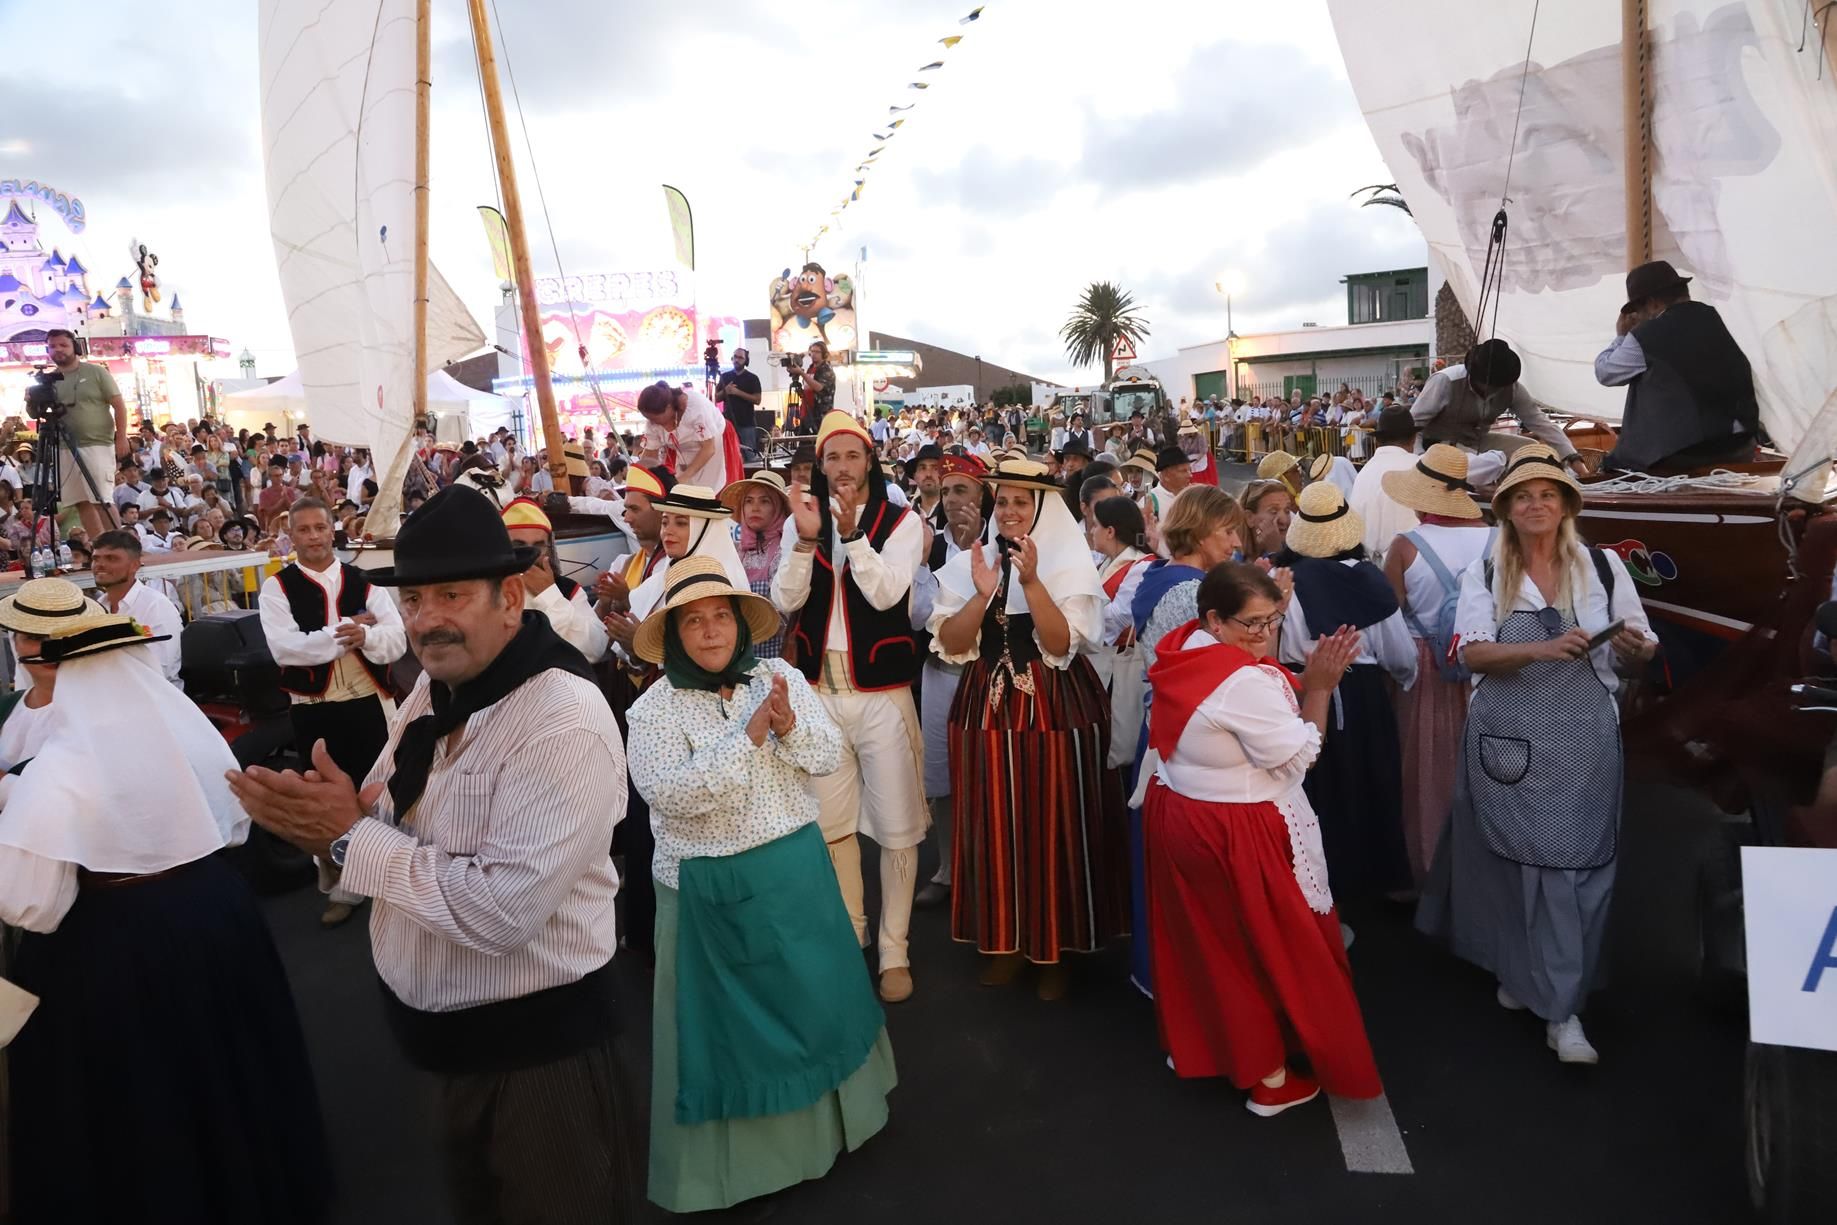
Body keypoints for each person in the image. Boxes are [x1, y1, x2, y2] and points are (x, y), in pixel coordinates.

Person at [229, 484, 641, 1221]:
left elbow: (499, 912)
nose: (425, 619)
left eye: (451, 594)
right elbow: (385, 818)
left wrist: (346, 835)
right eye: (414, 599)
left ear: (510, 598)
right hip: (453, 1050)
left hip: (538, 1059)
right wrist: (334, 830)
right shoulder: (437, 689)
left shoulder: (562, 718)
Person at [3, 603, 331, 1224]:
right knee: (230, 1064)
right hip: (215, 911)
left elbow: (30, 902)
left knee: (146, 1093)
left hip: (118, 943)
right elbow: (226, 819)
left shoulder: (60, 769)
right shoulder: (190, 735)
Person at [626, 557, 897, 1213]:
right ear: (673, 635)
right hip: (710, 893)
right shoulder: (652, 709)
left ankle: (834, 1129)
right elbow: (670, 795)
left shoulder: (781, 679)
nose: (710, 630)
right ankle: (746, 1170)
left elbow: (827, 756)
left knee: (816, 1005)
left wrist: (788, 726)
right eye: (693, 621)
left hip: (795, 873)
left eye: (721, 616)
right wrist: (747, 740)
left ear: (740, 624)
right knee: (732, 1038)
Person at [1417, 444, 1656, 1065]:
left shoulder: (1603, 567)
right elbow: (1471, 652)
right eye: (1522, 496)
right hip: (1508, 736)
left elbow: (1641, 644)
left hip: (1586, 740)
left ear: (1567, 504)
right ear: (1505, 509)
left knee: (1577, 868)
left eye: (1548, 494)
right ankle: (1545, 992)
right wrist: (1542, 650)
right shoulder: (1487, 572)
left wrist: (1635, 650)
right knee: (1514, 865)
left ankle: (1558, 999)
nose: (1536, 505)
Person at [1144, 563, 1381, 1115]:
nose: (1265, 634)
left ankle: (1209, 1048)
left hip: (1183, 812)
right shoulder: (1243, 684)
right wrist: (1319, 687)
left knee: (1208, 946)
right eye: (1252, 623)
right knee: (1271, 951)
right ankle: (1270, 1077)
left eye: (1273, 619)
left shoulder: (1187, 646)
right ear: (1215, 619)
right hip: (1236, 827)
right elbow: (1300, 756)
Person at [928, 458, 1125, 998]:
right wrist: (983, 593)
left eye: (1021, 501)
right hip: (985, 708)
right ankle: (1006, 942)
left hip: (1055, 707)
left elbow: (1060, 645)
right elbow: (952, 643)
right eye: (1004, 501)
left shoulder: (1068, 565)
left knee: (1053, 822)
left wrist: (1032, 581)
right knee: (992, 824)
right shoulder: (973, 562)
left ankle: (1055, 948)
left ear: (1041, 508)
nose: (1010, 510)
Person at [771, 411, 927, 1004]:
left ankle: (895, 949)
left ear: (869, 462)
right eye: (831, 457)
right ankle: (853, 933)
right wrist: (807, 539)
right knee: (832, 825)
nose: (841, 467)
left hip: (882, 694)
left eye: (852, 456)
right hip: (820, 693)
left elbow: (886, 594)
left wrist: (854, 537)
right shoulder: (804, 522)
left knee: (897, 827)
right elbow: (785, 598)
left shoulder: (900, 521)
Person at [257, 497, 407, 927]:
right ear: (291, 535)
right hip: (314, 708)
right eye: (303, 530)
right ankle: (345, 888)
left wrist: (368, 636)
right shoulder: (277, 587)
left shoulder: (364, 581)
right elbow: (286, 649)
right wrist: (350, 631)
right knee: (326, 798)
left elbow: (397, 639)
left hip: (370, 702)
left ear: (331, 530)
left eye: (320, 528)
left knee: (382, 793)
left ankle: (394, 879)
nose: (313, 537)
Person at [1126, 486, 1251, 995]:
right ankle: (1185, 987)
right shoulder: (1189, 593)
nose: (1236, 542)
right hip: (1186, 742)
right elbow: (1216, 675)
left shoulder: (1160, 576)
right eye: (1228, 531)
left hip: (1163, 730)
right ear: (1199, 533)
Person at [1275, 483, 1418, 905]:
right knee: (1369, 783)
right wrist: (1401, 681)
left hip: (1300, 689)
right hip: (1361, 695)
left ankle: (1319, 886)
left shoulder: (1282, 579)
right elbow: (1401, 655)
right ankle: (1367, 885)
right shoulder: (1369, 581)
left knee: (1314, 789)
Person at [1380, 446, 1495, 883]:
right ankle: (1486, 862)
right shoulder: (1499, 539)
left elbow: (1389, 617)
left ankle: (1429, 867)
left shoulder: (1406, 546)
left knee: (1426, 772)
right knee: (1489, 764)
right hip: (1487, 665)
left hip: (1426, 666)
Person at [911, 453, 990, 911]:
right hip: (941, 674)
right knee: (942, 776)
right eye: (946, 492)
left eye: (962, 490)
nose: (952, 499)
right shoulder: (933, 547)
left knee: (988, 772)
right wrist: (923, 562)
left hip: (986, 674)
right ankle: (946, 867)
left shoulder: (1000, 545)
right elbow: (918, 616)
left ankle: (990, 865)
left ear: (982, 496)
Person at [1595, 259, 1759, 472]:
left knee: (1613, 466)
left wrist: (1622, 336)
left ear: (1653, 303)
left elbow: (1606, 373)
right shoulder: (1726, 319)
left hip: (1683, 454)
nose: (1639, 316)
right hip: (1740, 444)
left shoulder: (1646, 335)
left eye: (1639, 309)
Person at [1411, 339, 1587, 482]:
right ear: (1475, 374)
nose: (1493, 390)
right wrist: (1418, 458)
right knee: (1484, 465)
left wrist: (1572, 456)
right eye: (1490, 383)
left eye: (1499, 385)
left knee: (1532, 450)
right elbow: (1413, 424)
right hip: (1439, 444)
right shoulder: (1446, 381)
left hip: (1478, 442)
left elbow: (1540, 423)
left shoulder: (1512, 387)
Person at [42, 328, 128, 539]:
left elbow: (119, 405)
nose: (58, 349)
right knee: (80, 501)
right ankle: (99, 546)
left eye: (63, 345)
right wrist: (31, 399)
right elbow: (37, 413)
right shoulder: (49, 379)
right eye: (52, 346)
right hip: (64, 446)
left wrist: (121, 437)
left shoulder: (96, 372)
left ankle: (119, 545)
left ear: (75, 347)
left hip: (96, 444)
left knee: (101, 499)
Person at [500, 497, 610, 662]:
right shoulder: (486, 591)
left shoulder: (567, 590)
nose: (531, 554)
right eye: (519, 545)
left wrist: (550, 596)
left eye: (538, 545)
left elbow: (595, 649)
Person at [1090, 494, 1152, 772]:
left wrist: (1080, 612)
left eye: (1095, 525)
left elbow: (1120, 616)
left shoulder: (1141, 566)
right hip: (1101, 663)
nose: (1091, 531)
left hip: (1119, 665)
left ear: (1110, 531)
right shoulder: (1106, 562)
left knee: (1119, 739)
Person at [88, 529, 183, 687]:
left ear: (134, 565)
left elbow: (158, 670)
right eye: (96, 558)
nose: (100, 565)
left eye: (111, 558)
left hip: (155, 696)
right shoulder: (97, 607)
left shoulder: (156, 606)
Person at [720, 470, 792, 659]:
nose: (755, 508)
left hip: (776, 656)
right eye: (749, 501)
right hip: (736, 655)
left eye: (764, 501)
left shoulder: (785, 550)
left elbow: (786, 612)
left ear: (778, 508)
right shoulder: (735, 552)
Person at [1349, 406, 1423, 561]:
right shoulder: (1420, 468)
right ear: (1414, 438)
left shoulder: (1364, 473)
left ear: (1377, 440)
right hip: (1411, 564)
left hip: (1368, 564)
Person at [637, 380, 735, 492]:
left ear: (668, 407)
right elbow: (650, 454)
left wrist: (683, 478)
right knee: (683, 489)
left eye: (655, 419)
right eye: (649, 419)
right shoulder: (653, 420)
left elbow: (709, 449)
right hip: (685, 451)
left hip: (714, 442)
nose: (652, 423)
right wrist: (640, 476)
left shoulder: (696, 409)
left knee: (709, 488)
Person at [714, 346, 764, 454]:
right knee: (729, 454)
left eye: (740, 357)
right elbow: (715, 398)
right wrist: (726, 391)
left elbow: (757, 400)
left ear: (746, 361)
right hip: (727, 423)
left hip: (747, 424)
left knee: (749, 455)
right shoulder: (724, 376)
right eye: (735, 357)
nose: (737, 360)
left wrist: (737, 392)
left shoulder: (752, 378)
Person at [1242, 479, 1295, 561]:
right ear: (1249, 518)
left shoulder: (1298, 554)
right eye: (1273, 511)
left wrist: (1275, 550)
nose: (1284, 520)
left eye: (1287, 511)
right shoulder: (1230, 554)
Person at [904, 443, 947, 529]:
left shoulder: (953, 513)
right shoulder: (906, 517)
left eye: (935, 468)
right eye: (923, 468)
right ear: (915, 476)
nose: (928, 474)